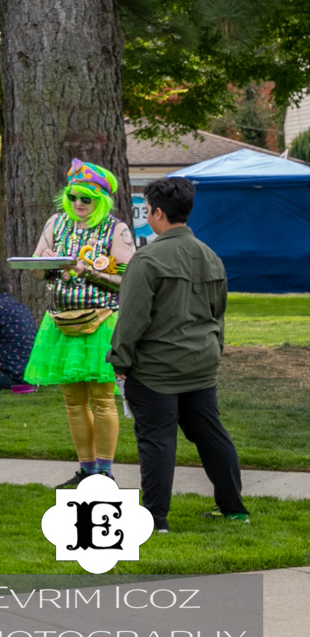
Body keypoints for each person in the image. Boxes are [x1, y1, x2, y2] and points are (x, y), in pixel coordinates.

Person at [111, 177, 245, 530]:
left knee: (157, 440)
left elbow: (131, 320)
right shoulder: (210, 257)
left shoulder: (148, 259)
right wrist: (214, 351)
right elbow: (218, 314)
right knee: (211, 434)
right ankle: (233, 508)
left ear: (156, 213)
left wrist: (120, 362)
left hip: (156, 371)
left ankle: (156, 519)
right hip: (201, 364)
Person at [23, 159, 136, 486]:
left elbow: (127, 278)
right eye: (73, 197)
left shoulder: (116, 229)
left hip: (100, 324)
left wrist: (90, 272)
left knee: (102, 399)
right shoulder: (56, 223)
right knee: (73, 401)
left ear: (100, 199)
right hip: (61, 325)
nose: (78, 204)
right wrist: (43, 263)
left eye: (85, 198)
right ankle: (86, 469)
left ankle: (105, 472)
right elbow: (36, 269)